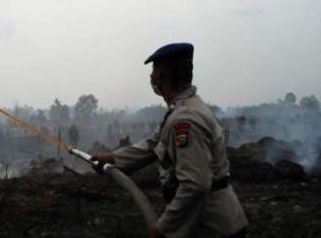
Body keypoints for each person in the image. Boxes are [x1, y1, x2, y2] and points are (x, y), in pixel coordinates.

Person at [92, 43, 247, 238]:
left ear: (166, 76)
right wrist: (112, 159)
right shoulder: (183, 109)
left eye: (154, 71)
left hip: (212, 227)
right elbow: (153, 145)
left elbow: (195, 185)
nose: (151, 77)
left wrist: (164, 228)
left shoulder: (185, 119)